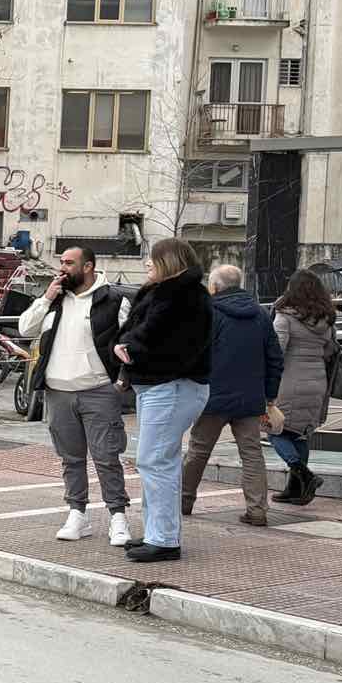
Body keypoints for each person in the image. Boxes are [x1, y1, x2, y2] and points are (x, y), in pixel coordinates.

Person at [17, 246, 134, 544]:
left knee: (107, 457)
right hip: (58, 392)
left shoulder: (113, 300)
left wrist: (122, 381)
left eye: (69, 263)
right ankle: (77, 514)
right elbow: (25, 329)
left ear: (88, 267)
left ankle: (118, 517)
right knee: (70, 459)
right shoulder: (53, 299)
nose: (62, 268)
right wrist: (46, 298)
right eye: (61, 262)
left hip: (98, 391)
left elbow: (131, 341)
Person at [114, 238, 213, 563]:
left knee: (155, 460)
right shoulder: (169, 294)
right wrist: (129, 349)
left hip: (170, 385)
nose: (147, 264)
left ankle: (164, 538)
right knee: (158, 460)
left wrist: (132, 350)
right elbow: (140, 333)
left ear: (168, 262)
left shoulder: (183, 297)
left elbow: (171, 345)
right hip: (161, 386)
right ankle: (158, 533)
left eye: (153, 259)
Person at [180, 264, 283, 526]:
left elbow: (194, 354)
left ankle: (183, 501)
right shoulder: (261, 314)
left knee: (198, 450)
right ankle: (257, 510)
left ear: (214, 287)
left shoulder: (209, 313)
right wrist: (270, 397)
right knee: (252, 453)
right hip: (250, 398)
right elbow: (275, 358)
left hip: (212, 396)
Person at [268, 268, 337, 506]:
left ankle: (304, 474)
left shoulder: (284, 316)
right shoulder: (326, 319)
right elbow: (329, 351)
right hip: (317, 382)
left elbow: (277, 351)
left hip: (290, 383)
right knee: (300, 434)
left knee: (275, 430)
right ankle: (296, 490)